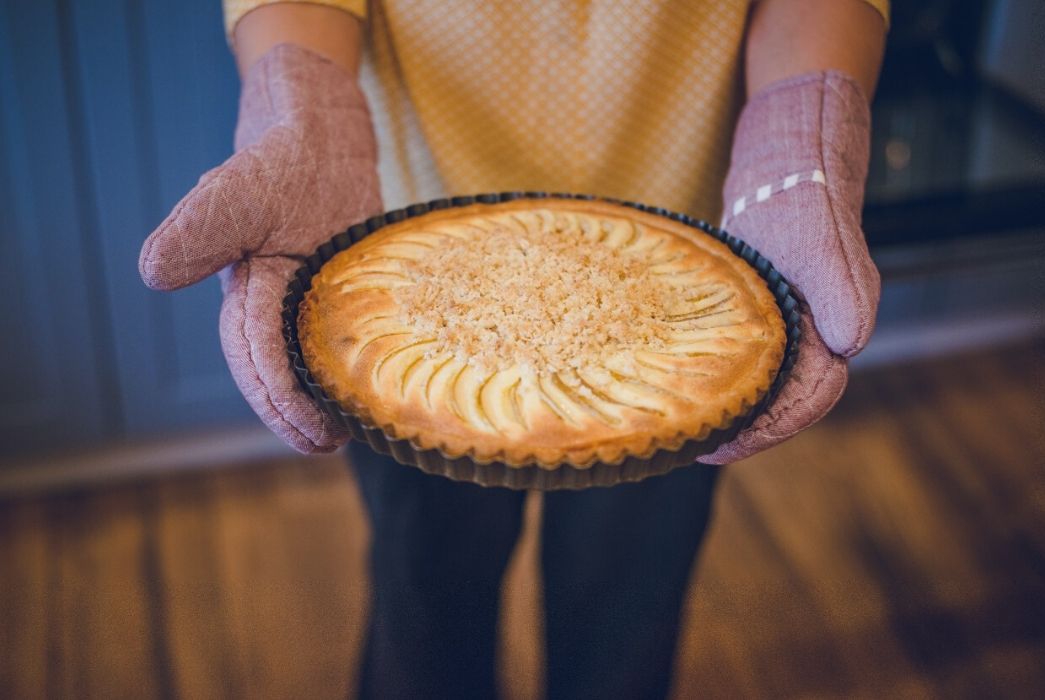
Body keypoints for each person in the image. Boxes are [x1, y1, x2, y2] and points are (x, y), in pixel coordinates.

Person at [139, 1, 887, 697]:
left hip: (688, 295)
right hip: (393, 278)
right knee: (426, 597)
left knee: (628, 610)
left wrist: (799, 136)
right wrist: (304, 112)